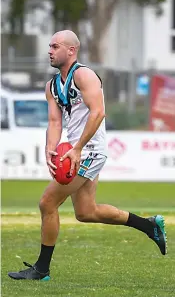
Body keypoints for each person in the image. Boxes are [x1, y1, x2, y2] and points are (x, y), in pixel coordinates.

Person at [8, 30, 167, 281]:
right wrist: (51, 149)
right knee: (86, 212)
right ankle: (149, 226)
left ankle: (41, 270)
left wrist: (78, 148)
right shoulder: (51, 85)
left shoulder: (84, 74)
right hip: (76, 150)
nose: (49, 50)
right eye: (49, 46)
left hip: (90, 149)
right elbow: (54, 120)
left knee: (47, 203)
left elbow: (98, 113)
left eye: (55, 46)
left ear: (71, 50)